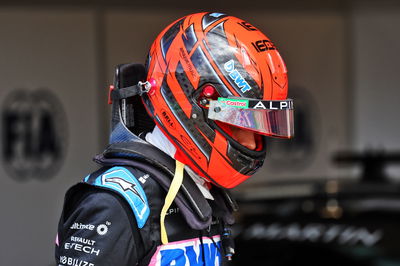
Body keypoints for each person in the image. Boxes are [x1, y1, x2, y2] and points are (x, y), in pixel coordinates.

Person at [55, 12, 294, 266]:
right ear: (193, 104)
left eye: (259, 125)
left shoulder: (199, 190)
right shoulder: (117, 203)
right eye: (241, 122)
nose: (250, 142)